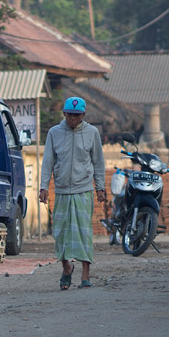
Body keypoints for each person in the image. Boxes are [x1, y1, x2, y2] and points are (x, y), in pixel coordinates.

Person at [38, 97, 106, 290]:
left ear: (83, 115)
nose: (73, 119)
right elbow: (48, 162)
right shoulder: (54, 133)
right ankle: (66, 268)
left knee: (84, 233)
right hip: (61, 191)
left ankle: (85, 274)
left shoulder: (92, 133)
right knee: (61, 234)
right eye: (70, 115)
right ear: (64, 114)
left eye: (77, 115)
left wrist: (100, 187)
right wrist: (43, 187)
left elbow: (98, 162)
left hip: (83, 190)